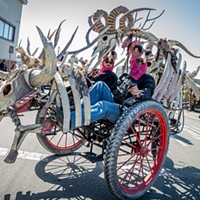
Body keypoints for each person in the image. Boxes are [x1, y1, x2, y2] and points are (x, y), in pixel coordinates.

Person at [70, 43, 155, 129]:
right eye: (138, 60)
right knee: (100, 85)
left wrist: (139, 93)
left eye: (142, 61)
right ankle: (73, 110)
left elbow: (148, 91)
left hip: (126, 111)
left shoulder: (147, 79)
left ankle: (72, 119)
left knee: (103, 105)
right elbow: (114, 89)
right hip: (115, 102)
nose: (140, 63)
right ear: (133, 60)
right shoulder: (125, 77)